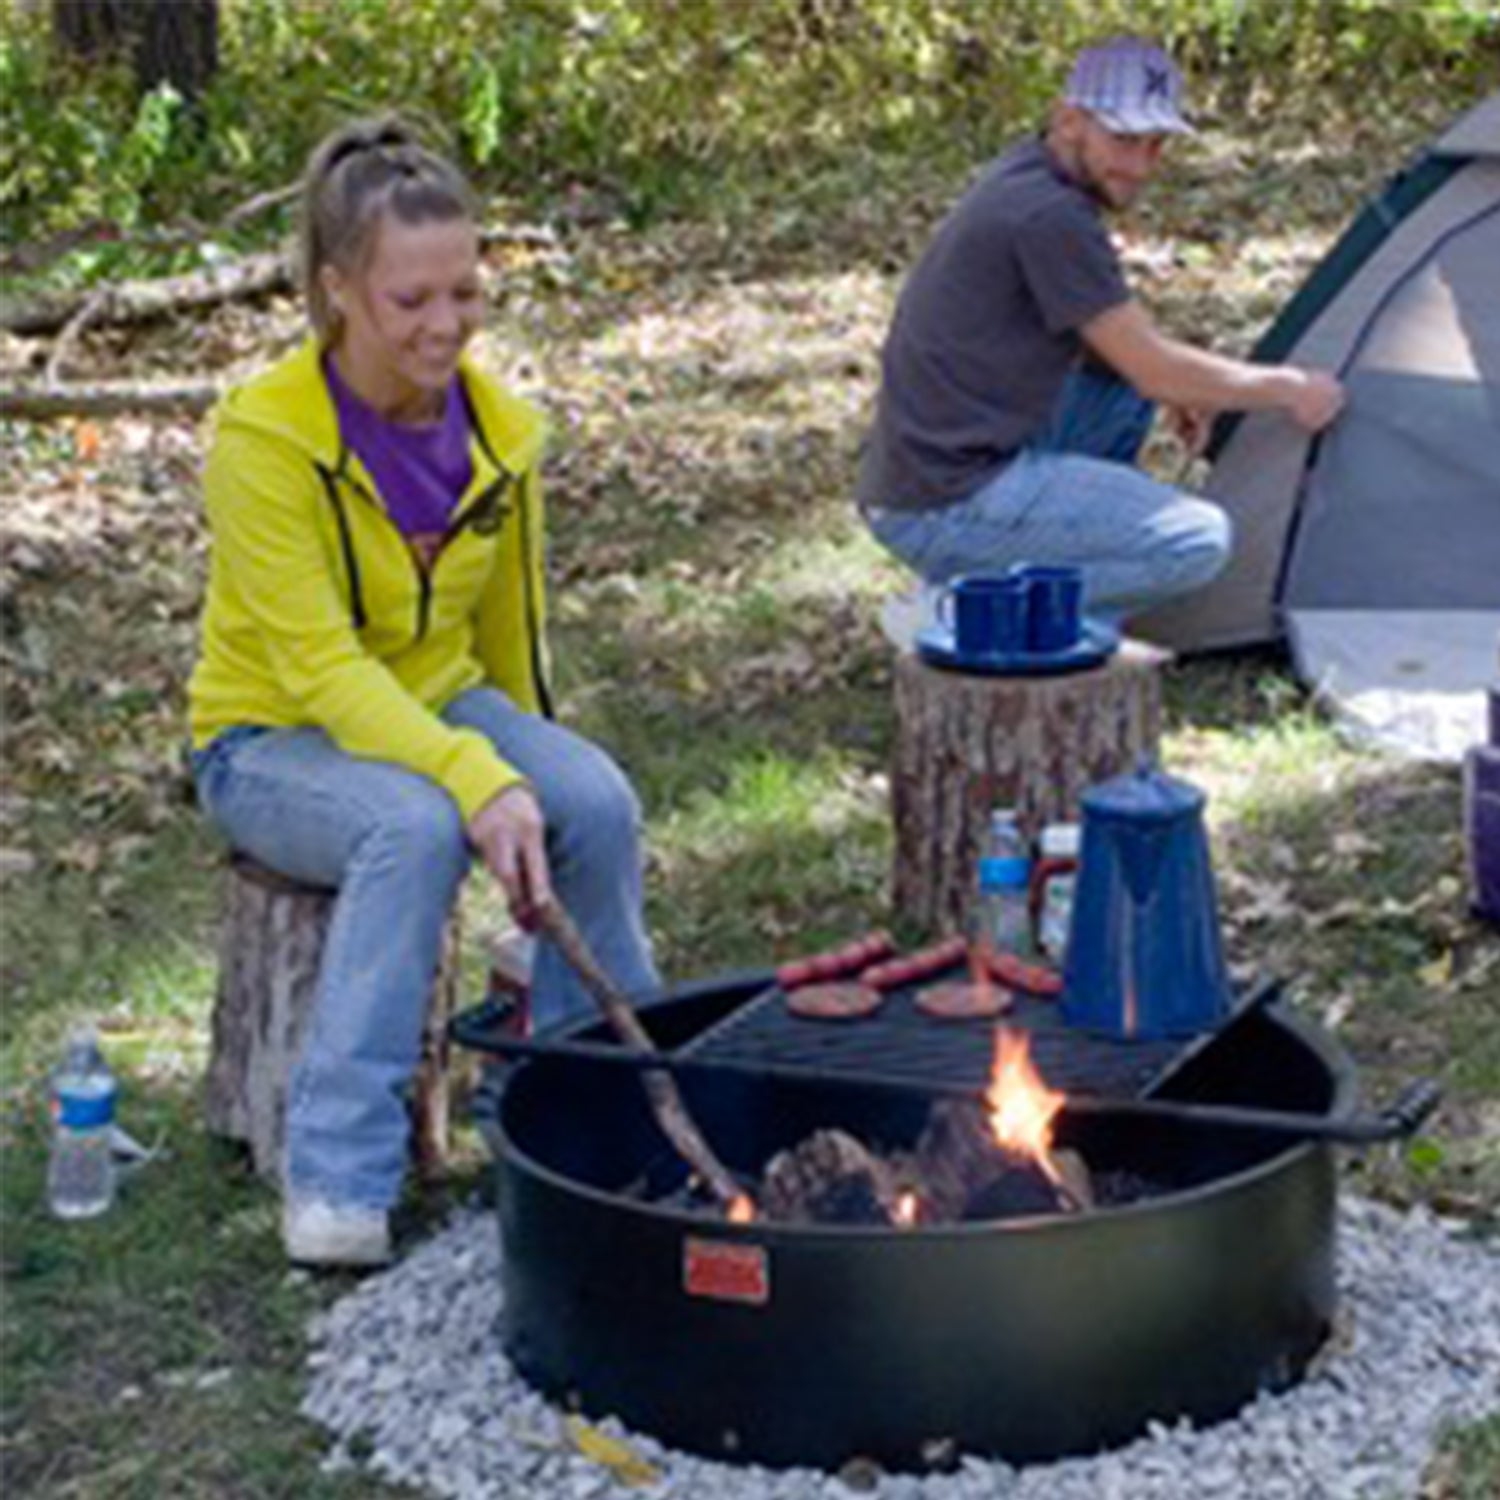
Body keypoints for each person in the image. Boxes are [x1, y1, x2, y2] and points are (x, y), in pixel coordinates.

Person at [187, 117, 658, 1268]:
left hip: (439, 701)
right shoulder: (263, 442)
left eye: (465, 293)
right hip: (268, 739)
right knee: (413, 826)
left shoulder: (500, 433)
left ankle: (595, 1109)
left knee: (596, 802)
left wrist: (526, 768)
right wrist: (476, 782)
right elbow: (320, 671)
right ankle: (338, 1178)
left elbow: (512, 648)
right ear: (338, 290)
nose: (444, 326)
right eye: (411, 301)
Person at [856, 36, 1346, 630]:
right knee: (1196, 539)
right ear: (1069, 120)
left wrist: (1176, 389)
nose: (1140, 165)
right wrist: (1291, 389)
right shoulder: (1048, 215)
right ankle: (970, 609)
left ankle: (1027, 569)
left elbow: (1125, 353)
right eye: (1123, 139)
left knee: (1122, 393)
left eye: (1156, 144)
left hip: (922, 476)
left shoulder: (1031, 174)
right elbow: (1153, 363)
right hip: (943, 501)